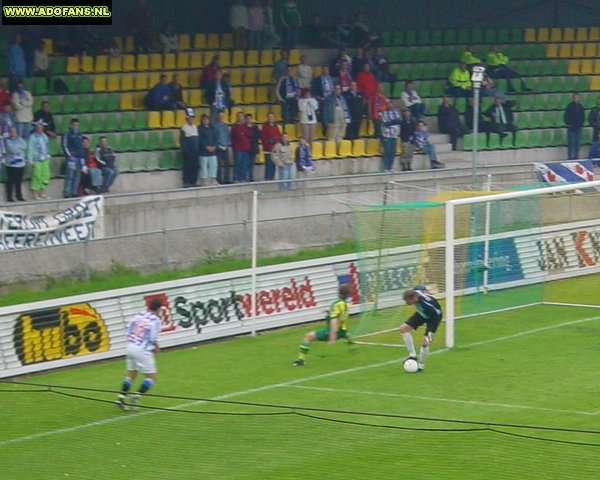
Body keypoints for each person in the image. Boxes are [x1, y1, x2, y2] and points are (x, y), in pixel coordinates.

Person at [116, 298, 164, 410]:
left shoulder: (140, 314)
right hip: (142, 349)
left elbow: (129, 327)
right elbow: (152, 337)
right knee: (152, 378)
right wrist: (156, 347)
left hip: (130, 346)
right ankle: (136, 396)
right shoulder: (156, 320)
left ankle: (120, 398)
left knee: (131, 374)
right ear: (159, 309)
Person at [292, 284, 351, 366]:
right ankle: (349, 340)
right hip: (342, 330)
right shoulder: (347, 305)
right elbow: (341, 316)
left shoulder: (336, 304)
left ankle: (301, 360)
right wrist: (328, 311)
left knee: (307, 337)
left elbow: (334, 320)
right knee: (309, 337)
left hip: (333, 331)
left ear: (339, 293)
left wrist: (332, 336)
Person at [400, 287, 443, 372]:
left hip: (434, 318)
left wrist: (430, 332)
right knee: (403, 328)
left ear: (414, 298)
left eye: (408, 301)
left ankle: (421, 365)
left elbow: (435, 316)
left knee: (425, 342)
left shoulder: (426, 305)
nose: (407, 303)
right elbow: (421, 287)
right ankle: (412, 355)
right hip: (422, 314)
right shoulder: (416, 291)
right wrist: (427, 291)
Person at [62, 118, 85, 198]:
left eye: (77, 125)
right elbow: (65, 146)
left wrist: (82, 159)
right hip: (72, 158)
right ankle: (67, 192)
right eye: (75, 125)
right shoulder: (67, 134)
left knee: (77, 176)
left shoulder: (79, 134)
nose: (76, 127)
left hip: (79, 158)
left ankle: (74, 192)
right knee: (69, 176)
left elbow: (81, 147)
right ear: (71, 125)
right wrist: (69, 156)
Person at [28, 120, 51, 199]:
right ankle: (35, 194)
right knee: (36, 176)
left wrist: (48, 156)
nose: (40, 129)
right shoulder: (32, 137)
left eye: (41, 127)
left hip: (44, 159)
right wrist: (30, 160)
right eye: (38, 127)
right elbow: (30, 149)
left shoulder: (44, 136)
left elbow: (47, 147)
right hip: (36, 159)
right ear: (36, 128)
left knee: (45, 175)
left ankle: (42, 193)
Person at [4, 126, 27, 202]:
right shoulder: (7, 141)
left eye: (14, 131)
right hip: (11, 164)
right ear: (9, 132)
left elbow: (24, 146)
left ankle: (19, 195)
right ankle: (10, 197)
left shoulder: (20, 139)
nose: (13, 133)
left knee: (19, 181)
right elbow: (12, 149)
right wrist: (18, 148)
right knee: (11, 181)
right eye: (12, 131)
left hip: (20, 163)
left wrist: (17, 147)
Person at [179, 107, 199, 188]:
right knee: (187, 166)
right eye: (190, 118)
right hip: (188, 151)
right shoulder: (184, 127)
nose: (191, 120)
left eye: (192, 118)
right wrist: (186, 150)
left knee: (194, 166)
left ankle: (193, 181)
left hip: (195, 150)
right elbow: (183, 140)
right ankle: (186, 182)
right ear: (187, 119)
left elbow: (197, 139)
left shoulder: (195, 126)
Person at [260, 112, 281, 181]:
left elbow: (278, 135)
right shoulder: (265, 126)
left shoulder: (276, 126)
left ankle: (272, 178)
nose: (271, 118)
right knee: (268, 165)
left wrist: (276, 142)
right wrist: (269, 145)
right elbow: (263, 137)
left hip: (275, 149)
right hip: (268, 149)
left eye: (272, 117)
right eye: (269, 117)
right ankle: (267, 178)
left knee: (273, 165)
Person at [198, 114, 218, 186]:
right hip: (203, 151)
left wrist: (214, 146)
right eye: (204, 119)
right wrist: (206, 146)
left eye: (207, 119)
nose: (206, 121)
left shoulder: (212, 128)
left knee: (213, 165)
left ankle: (213, 179)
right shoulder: (200, 129)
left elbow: (216, 138)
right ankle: (204, 180)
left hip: (213, 150)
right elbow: (200, 139)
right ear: (202, 121)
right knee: (204, 166)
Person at [564, 93, 586, 160]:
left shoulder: (580, 106)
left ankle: (576, 157)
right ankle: (570, 158)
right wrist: (569, 124)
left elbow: (583, 116)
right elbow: (566, 117)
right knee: (571, 144)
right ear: (573, 98)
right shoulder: (569, 106)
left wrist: (581, 124)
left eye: (578, 98)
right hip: (571, 128)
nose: (577, 99)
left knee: (577, 144)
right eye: (575, 98)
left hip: (578, 128)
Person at [379, 106, 401, 172]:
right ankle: (386, 167)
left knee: (392, 152)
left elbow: (398, 121)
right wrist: (393, 122)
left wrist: (390, 123)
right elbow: (384, 123)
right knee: (387, 151)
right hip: (386, 135)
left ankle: (390, 167)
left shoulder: (396, 112)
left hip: (394, 135)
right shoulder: (384, 113)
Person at [231, 111, 251, 182]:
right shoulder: (234, 126)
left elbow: (249, 134)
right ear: (237, 117)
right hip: (238, 148)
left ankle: (243, 178)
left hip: (246, 147)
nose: (241, 117)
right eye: (239, 116)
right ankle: (236, 178)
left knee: (244, 164)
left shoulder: (245, 126)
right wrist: (244, 134)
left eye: (242, 116)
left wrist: (244, 133)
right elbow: (239, 136)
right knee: (238, 163)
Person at [213, 111, 232, 184]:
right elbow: (214, 136)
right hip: (218, 146)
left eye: (222, 116)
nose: (221, 117)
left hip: (225, 146)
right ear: (217, 117)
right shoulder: (214, 125)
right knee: (218, 164)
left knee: (227, 163)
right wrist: (216, 145)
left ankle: (227, 179)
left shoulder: (225, 125)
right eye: (220, 116)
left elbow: (228, 135)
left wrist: (227, 143)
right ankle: (219, 179)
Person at [245, 113, 260, 182]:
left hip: (253, 148)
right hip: (245, 147)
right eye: (247, 118)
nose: (249, 120)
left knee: (251, 163)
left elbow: (258, 135)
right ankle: (246, 177)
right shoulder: (244, 126)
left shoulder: (255, 126)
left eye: (250, 118)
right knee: (246, 163)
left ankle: (251, 177)